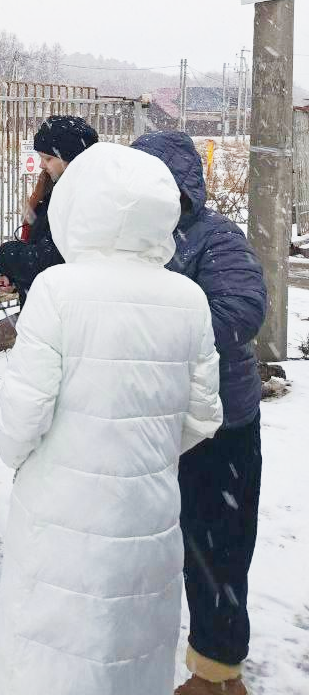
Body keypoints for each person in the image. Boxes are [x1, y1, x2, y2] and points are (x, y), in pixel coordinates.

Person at [0, 142, 224, 695]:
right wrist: (145, 453)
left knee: (52, 649)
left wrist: (27, 458)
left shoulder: (58, 289)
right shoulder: (189, 298)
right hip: (148, 509)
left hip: (60, 508)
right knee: (132, 646)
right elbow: (203, 415)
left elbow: (23, 413)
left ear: (76, 207)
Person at [132, 131, 268, 695]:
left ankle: (217, 671)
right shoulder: (130, 241)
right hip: (151, 421)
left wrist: (156, 328)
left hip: (219, 429)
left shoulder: (214, 238)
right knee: (149, 543)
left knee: (217, 548)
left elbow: (242, 309)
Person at [0, 115, 98, 304]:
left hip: (62, 309)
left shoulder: (83, 199)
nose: (42, 164)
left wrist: (6, 254)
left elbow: (47, 259)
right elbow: (36, 242)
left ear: (73, 160)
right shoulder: (52, 190)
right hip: (45, 304)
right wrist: (11, 275)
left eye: (48, 158)